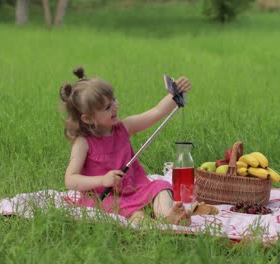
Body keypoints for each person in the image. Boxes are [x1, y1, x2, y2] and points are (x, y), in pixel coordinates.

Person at [59, 66, 192, 226]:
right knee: (134, 213)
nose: (115, 106)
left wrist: (174, 94)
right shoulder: (83, 142)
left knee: (161, 187)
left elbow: (156, 112)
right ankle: (151, 225)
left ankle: (167, 216)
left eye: (114, 100)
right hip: (106, 197)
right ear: (88, 119)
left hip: (135, 189)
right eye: (107, 107)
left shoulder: (124, 127)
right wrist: (102, 180)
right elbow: (70, 179)